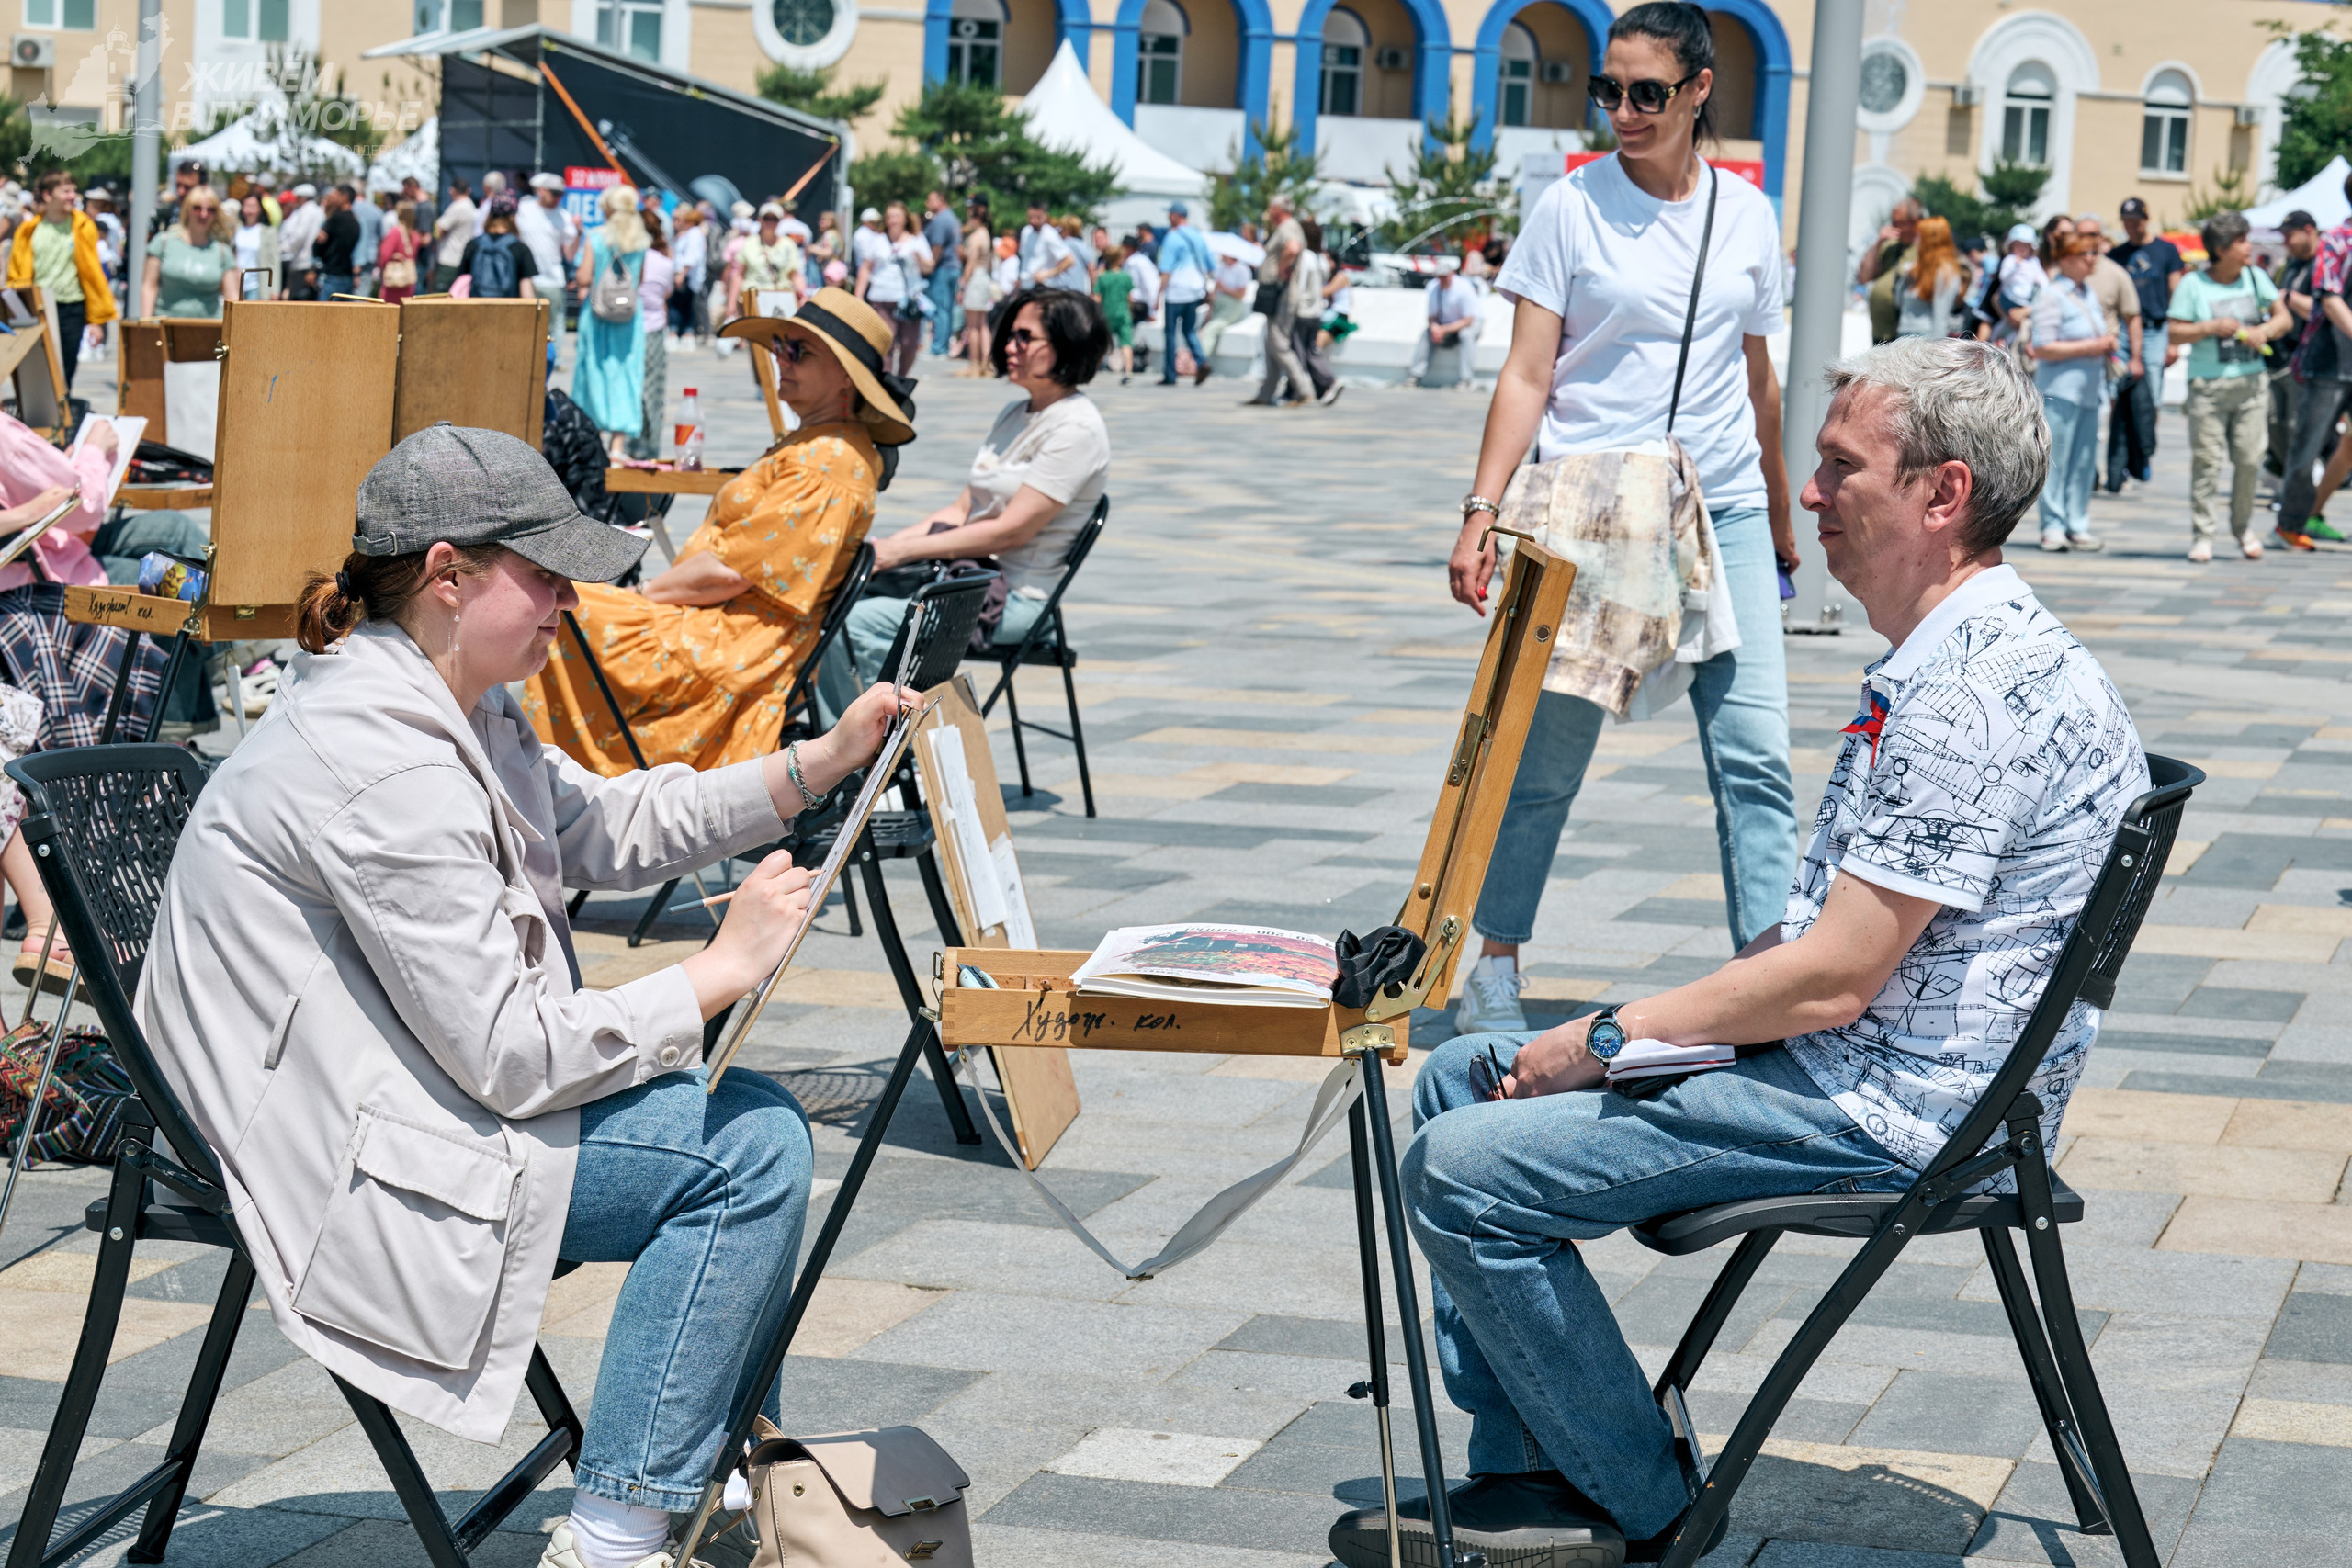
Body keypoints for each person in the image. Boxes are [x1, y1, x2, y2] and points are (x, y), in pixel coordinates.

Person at [1335, 334, 2147, 1568]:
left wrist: (1611, 1033)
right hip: (1868, 1060)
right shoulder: (1955, 651)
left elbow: (1833, 977)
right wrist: (1637, 1032)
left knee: (1459, 1164)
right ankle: (1534, 1469)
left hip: (1889, 1104)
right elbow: (1825, 954)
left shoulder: (1969, 694)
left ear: (1943, 495)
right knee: (1463, 1076)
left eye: (1839, 468)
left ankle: (1649, 1505)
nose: (1805, 495)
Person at [136, 420, 918, 1568]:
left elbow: (603, 825)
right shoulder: (386, 761)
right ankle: (615, 1531)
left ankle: (684, 1477)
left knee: (746, 1126)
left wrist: (816, 765)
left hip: (391, 1091)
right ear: (447, 574)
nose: (568, 604)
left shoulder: (450, 699)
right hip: (331, 1149)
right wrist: (713, 972)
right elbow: (510, 1056)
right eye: (545, 578)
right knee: (744, 1152)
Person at [1447, 0, 1798, 1036]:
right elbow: (1526, 371)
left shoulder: (1744, 214)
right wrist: (1480, 509)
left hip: (1721, 502)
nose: (1624, 110)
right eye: (1609, 89)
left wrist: (1780, 512)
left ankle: (1769, 978)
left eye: (1647, 91)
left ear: (1698, 90)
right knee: (1545, 757)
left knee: (1755, 754)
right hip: (1594, 512)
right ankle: (1496, 962)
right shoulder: (1570, 206)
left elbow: (1758, 377)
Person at [527, 288, 912, 773]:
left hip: (735, 646)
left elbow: (731, 574)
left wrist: (644, 595)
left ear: (847, 377)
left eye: (800, 352)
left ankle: (562, 785)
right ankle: (559, 781)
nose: (781, 361)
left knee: (562, 606)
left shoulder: (829, 460)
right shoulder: (819, 443)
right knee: (560, 600)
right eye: (780, 347)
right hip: (726, 625)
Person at [830, 285, 1109, 709]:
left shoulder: (1076, 429)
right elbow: (962, 509)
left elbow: (1008, 533)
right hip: (964, 577)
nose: (1008, 346)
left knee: (853, 624)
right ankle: (838, 741)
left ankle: (859, 758)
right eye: (1009, 334)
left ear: (1067, 345)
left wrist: (901, 551)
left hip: (1012, 597)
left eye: (1024, 337)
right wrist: (880, 551)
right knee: (835, 595)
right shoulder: (1017, 413)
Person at [0, 410, 168, 987]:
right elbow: (77, 497)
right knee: (29, 738)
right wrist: (90, 454)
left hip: (39, 590)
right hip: (29, 598)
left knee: (17, 732)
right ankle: (60, 920)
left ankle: (56, 922)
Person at [2168, 210, 2290, 561]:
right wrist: (2209, 327)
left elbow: (2283, 318)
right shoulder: (2194, 284)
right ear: (2221, 249)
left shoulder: (2255, 277)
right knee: (2207, 461)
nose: (2249, 247)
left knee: (2250, 459)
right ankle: (2203, 534)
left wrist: (2263, 332)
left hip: (2251, 383)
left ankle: (2242, 527)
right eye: (2242, 241)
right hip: (2208, 384)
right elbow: (2175, 331)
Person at [2276, 171, 2352, 546]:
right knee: (2307, 448)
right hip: (2329, 361)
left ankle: (2311, 513)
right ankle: (2290, 524)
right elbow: (2329, 296)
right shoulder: (2337, 241)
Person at [2029, 234, 2116, 554]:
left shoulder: (2086, 292)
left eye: (2094, 253)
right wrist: (2094, 346)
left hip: (2089, 390)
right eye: (2084, 253)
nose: (2091, 259)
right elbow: (2043, 346)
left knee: (2083, 462)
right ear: (2065, 258)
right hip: (2060, 391)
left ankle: (2076, 523)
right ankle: (2052, 525)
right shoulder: (2052, 295)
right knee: (2057, 461)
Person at [6, 171, 117, 394]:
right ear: (48, 196)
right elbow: (16, 275)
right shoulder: (29, 231)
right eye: (65, 191)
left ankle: (61, 419)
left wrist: (96, 322)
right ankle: (40, 421)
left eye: (73, 190)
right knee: (37, 370)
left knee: (65, 371)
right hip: (38, 309)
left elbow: (93, 275)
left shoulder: (83, 226)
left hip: (72, 309)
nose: (72, 196)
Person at [2106, 196, 2184, 490]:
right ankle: (2120, 453)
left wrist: (2173, 341)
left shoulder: (2166, 251)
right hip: (2124, 329)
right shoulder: (2117, 254)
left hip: (2155, 328)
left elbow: (2176, 293)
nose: (2130, 227)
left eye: (2135, 222)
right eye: (2126, 222)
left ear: (2145, 219)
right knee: (2117, 389)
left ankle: (2143, 451)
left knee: (2150, 394)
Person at [571, 185, 650, 455]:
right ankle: (618, 444)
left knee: (593, 372)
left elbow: (583, 277)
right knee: (626, 374)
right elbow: (640, 280)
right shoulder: (641, 241)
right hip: (628, 318)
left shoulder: (596, 238)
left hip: (597, 316)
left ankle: (593, 442)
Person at [2267, 209, 2321, 485]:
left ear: (2309, 231)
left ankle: (2300, 483)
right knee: (2273, 421)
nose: (2286, 241)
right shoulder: (2291, 266)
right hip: (2279, 355)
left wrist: (2287, 297)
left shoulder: (2324, 265)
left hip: (2306, 357)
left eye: (2290, 235)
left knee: (2295, 425)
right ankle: (2289, 475)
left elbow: (2326, 309)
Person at [854, 201, 931, 377]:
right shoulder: (878, 240)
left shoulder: (916, 239)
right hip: (882, 297)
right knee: (885, 342)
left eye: (896, 216)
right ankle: (887, 380)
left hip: (908, 301)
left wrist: (919, 258)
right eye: (889, 217)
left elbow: (929, 267)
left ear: (905, 219)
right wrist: (858, 296)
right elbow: (866, 268)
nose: (892, 220)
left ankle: (902, 377)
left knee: (909, 344)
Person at [141, 185, 239, 318]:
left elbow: (232, 297)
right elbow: (149, 286)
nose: (204, 214)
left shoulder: (223, 251)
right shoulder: (162, 242)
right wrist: (146, 325)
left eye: (210, 210)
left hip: (209, 331)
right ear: (187, 209)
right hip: (165, 328)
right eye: (197, 208)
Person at [628, 212, 674, 462]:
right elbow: (665, 293)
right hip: (654, 328)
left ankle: (626, 444)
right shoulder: (664, 263)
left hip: (627, 328)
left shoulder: (627, 257)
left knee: (628, 387)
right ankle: (650, 448)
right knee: (653, 392)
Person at [1157, 199, 1213, 385]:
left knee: (1171, 333)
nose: (1168, 217)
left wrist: (1158, 294)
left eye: (1170, 214)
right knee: (1190, 331)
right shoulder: (1198, 236)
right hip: (1195, 289)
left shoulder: (1172, 237)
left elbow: (1166, 269)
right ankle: (1201, 361)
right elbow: (1211, 265)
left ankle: (1170, 375)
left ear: (1176, 216)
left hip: (1176, 291)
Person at [1857, 195, 1924, 345]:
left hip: (1907, 332)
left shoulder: (1924, 247)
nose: (1893, 226)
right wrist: (1878, 243)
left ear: (1915, 222)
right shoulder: (1888, 245)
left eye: (1898, 223)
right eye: (1892, 221)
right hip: (1881, 329)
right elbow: (1864, 277)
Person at [1408, 264, 1483, 389]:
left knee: (1466, 335)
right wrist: (1435, 327)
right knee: (1427, 334)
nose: (1442, 279)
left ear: (1452, 274)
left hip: (1468, 322)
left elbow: (1468, 320)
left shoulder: (1463, 287)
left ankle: (1466, 379)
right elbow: (1431, 316)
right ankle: (1415, 376)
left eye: (1445, 276)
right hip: (1445, 323)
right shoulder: (1433, 287)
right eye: (1440, 276)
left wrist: (1443, 329)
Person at [1892, 214, 1965, 340]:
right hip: (1904, 335)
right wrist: (1905, 277)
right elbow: (1898, 302)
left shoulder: (1946, 271)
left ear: (1930, 240)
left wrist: (1936, 352)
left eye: (1918, 236)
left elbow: (1941, 316)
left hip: (1926, 338)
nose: (1915, 241)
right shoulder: (1917, 268)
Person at [454, 194, 537, 301]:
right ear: (514, 217)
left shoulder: (473, 245)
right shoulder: (521, 249)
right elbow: (526, 294)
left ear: (490, 215)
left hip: (476, 312)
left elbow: (462, 282)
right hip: (509, 313)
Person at [516, 172, 577, 312]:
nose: (558, 198)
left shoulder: (564, 217)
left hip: (553, 282)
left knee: (555, 330)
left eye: (560, 194)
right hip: (527, 280)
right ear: (542, 191)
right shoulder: (524, 210)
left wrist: (578, 234)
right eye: (554, 193)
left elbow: (569, 254)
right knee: (527, 327)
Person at [922, 187, 963, 356]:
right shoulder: (952, 218)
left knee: (940, 310)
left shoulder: (940, 220)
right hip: (952, 268)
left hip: (943, 269)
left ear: (940, 201)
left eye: (930, 200)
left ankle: (939, 348)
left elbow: (937, 246)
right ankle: (943, 345)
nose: (927, 204)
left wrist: (930, 265)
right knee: (946, 309)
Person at [960, 198, 998, 374]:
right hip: (985, 277)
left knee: (973, 324)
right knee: (983, 323)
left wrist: (962, 284)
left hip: (975, 278)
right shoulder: (987, 234)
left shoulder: (976, 237)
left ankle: (974, 363)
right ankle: (986, 361)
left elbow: (971, 263)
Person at [1198, 244, 1253, 363]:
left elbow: (1241, 295)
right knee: (1201, 328)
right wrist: (1210, 309)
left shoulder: (1242, 270)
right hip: (1218, 304)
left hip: (1232, 306)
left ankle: (1201, 361)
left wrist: (1225, 288)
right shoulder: (1221, 268)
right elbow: (1215, 293)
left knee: (1211, 329)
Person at [1093, 240, 1136, 381]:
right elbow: (1130, 297)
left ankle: (1094, 368)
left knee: (1102, 342)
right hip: (1123, 313)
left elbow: (1097, 298)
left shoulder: (1102, 277)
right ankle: (1128, 372)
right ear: (1120, 259)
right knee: (1126, 343)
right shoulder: (1125, 276)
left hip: (1107, 314)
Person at [1019, 201, 1080, 292]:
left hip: (1043, 286)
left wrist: (1047, 274)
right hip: (1026, 284)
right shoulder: (1026, 232)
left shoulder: (1049, 234)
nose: (1033, 221)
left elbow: (1070, 260)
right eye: (1030, 217)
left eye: (1038, 217)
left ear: (1045, 216)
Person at [231, 191, 281, 299]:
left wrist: (274, 289)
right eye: (247, 206)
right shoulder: (236, 229)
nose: (249, 210)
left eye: (253, 207)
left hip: (256, 285)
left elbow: (274, 261)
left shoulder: (269, 232)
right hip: (237, 284)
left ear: (260, 209)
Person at [314, 184, 361, 299]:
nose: (332, 198)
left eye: (336, 195)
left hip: (332, 276)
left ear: (344, 197)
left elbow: (319, 248)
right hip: (348, 275)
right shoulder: (356, 222)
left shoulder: (335, 219)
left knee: (324, 316)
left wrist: (318, 243)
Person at [432, 175, 477, 293]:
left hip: (450, 260)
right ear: (468, 191)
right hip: (461, 259)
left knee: (440, 297)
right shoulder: (470, 206)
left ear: (452, 190)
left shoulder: (458, 206)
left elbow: (439, 229)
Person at [277, 183, 322, 299]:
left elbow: (299, 235)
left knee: (297, 300)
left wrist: (284, 248)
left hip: (302, 262)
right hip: (312, 262)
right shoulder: (318, 210)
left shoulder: (306, 211)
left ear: (303, 198)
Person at [378, 199, 423, 306]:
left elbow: (384, 255)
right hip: (408, 281)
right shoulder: (415, 235)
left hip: (393, 282)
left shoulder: (395, 232)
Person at [350, 187, 384, 298]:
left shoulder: (351, 208)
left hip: (350, 256)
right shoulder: (376, 210)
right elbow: (381, 237)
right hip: (370, 255)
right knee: (362, 293)